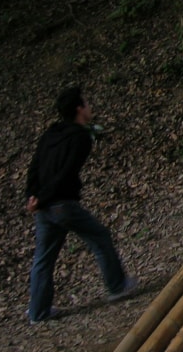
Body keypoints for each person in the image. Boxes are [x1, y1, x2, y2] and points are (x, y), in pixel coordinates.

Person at [25, 86, 138, 323]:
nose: (90, 107)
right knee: (99, 237)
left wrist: (33, 196)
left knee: (43, 258)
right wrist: (42, 197)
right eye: (87, 103)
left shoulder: (51, 133)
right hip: (61, 204)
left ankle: (38, 312)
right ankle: (117, 286)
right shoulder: (79, 137)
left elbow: (34, 167)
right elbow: (65, 173)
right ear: (79, 109)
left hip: (44, 206)